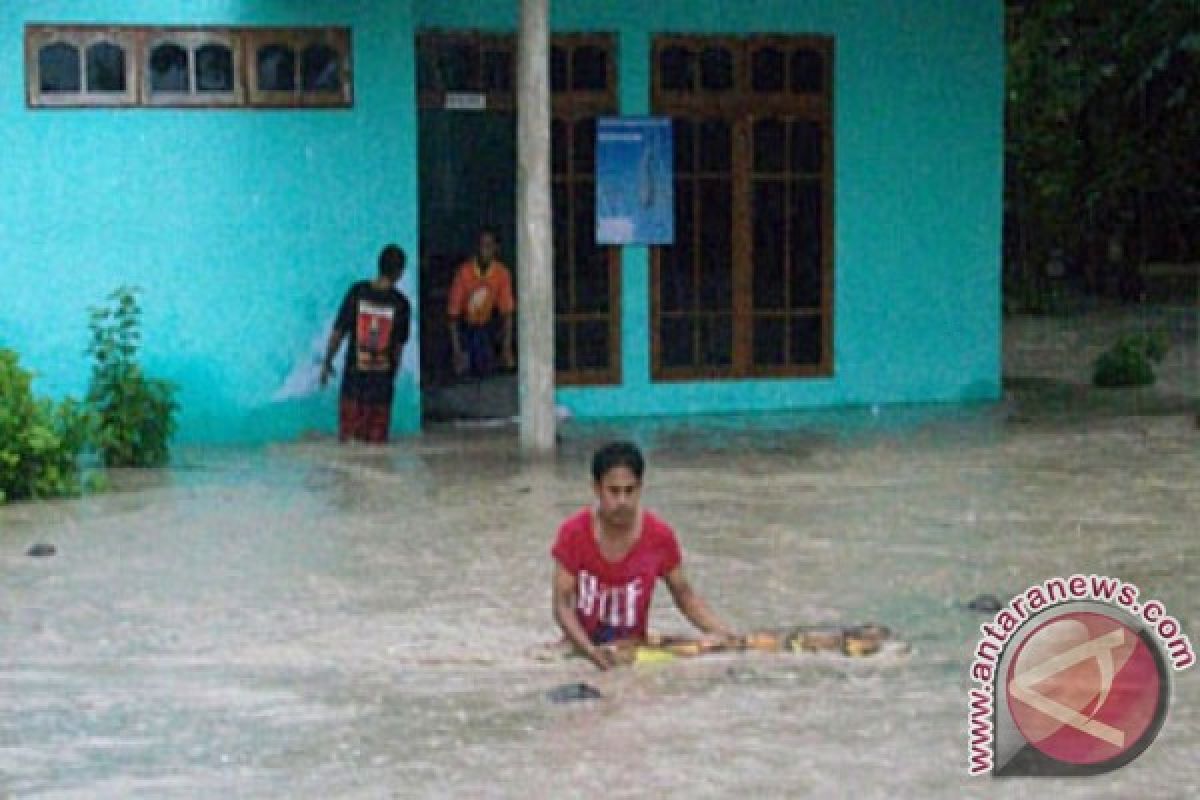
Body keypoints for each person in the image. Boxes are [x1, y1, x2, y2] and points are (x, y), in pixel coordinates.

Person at [551, 441, 735, 670]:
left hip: (633, 655)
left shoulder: (660, 537)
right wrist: (590, 652)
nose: (622, 502)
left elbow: (685, 596)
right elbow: (562, 605)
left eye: (630, 491)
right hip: (580, 652)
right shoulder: (573, 533)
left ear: (640, 488)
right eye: (614, 491)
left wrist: (723, 634)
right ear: (597, 489)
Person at [319, 244, 411, 443]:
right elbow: (398, 350)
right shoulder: (401, 304)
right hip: (381, 391)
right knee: (378, 454)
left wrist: (327, 362)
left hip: (353, 387)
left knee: (350, 448)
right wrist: (390, 380)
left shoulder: (357, 292)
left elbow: (338, 334)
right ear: (399, 273)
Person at [447, 228, 515, 378]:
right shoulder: (464, 272)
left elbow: (507, 313)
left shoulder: (502, 273)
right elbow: (453, 316)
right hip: (466, 328)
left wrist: (506, 347)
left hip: (488, 327)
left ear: (496, 249)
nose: (485, 250)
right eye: (482, 245)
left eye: (489, 246)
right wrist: (457, 351)